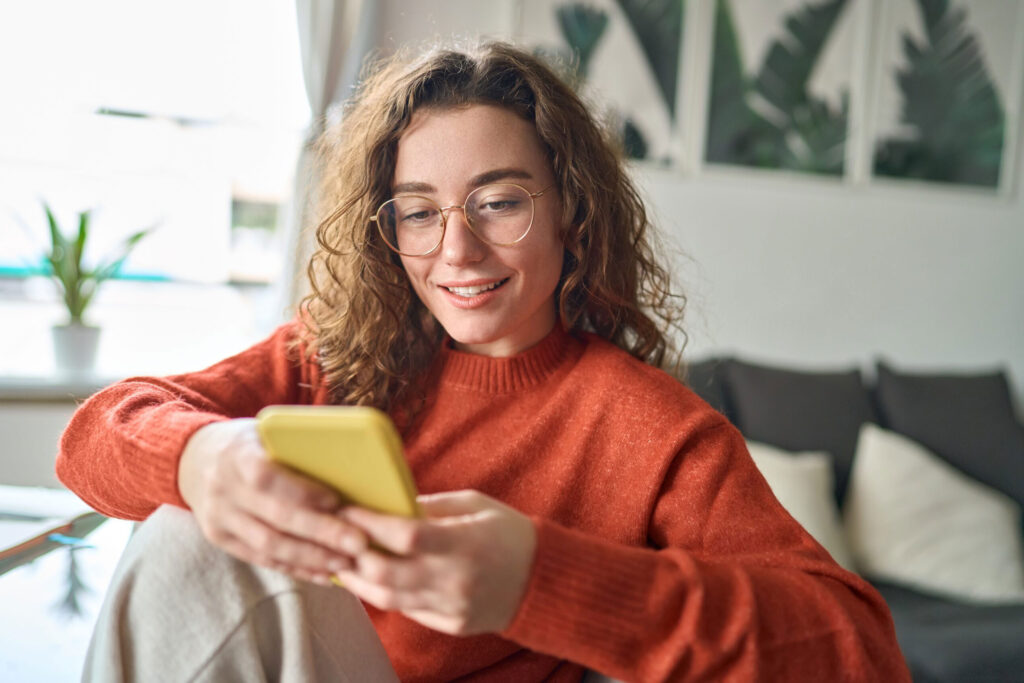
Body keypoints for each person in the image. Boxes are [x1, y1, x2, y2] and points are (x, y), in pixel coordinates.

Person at [57, 41, 909, 682]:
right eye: (418, 213)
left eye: (499, 201)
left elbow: (861, 651)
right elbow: (94, 435)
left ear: (573, 209)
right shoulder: (333, 355)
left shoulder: (655, 430)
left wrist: (540, 581)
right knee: (182, 526)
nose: (456, 250)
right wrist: (204, 458)